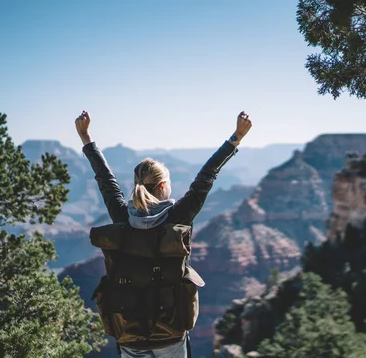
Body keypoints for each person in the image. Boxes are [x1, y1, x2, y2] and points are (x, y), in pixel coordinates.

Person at [75, 110, 252, 358]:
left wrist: (86, 137)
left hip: (129, 330)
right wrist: (235, 138)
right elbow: (206, 177)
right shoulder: (178, 218)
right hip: (170, 332)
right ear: (162, 186)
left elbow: (106, 180)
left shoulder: (122, 218)